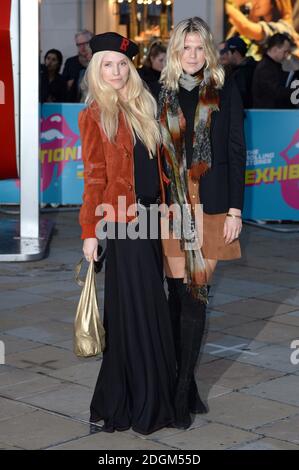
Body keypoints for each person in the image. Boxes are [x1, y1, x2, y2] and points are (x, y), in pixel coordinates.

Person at [79, 32, 176, 434]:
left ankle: (145, 395)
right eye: (108, 64)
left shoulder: (144, 105)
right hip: (122, 221)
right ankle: (136, 401)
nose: (116, 71)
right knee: (135, 310)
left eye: (122, 64)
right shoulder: (92, 114)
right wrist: (89, 232)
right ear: (96, 69)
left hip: (153, 220)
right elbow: (94, 178)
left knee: (148, 306)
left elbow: (159, 169)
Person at [157, 17, 246, 429]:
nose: (192, 55)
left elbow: (236, 149)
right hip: (172, 207)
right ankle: (187, 386)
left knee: (195, 297)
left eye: (198, 48)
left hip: (210, 205)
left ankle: (178, 394)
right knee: (176, 298)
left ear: (207, 50)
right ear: (175, 51)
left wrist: (235, 210)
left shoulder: (225, 91)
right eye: (185, 47)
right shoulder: (161, 94)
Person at [225, 0, 299, 59]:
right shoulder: (249, 33)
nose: (255, 1)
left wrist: (222, 5)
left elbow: (246, 27)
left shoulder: (284, 29)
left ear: (274, 2)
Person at [252, 32, 296, 107]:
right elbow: (276, 92)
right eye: (285, 51)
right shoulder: (265, 67)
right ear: (275, 49)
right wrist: (295, 92)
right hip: (266, 115)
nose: (286, 56)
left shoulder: (272, 66)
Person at [222, 36, 257, 108]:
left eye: (226, 52)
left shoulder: (243, 73)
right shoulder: (250, 67)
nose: (224, 55)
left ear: (235, 52)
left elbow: (239, 99)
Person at [63, 30, 94, 102]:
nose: (82, 47)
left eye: (85, 43)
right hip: (74, 105)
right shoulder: (70, 62)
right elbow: (62, 85)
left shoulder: (99, 62)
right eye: (79, 45)